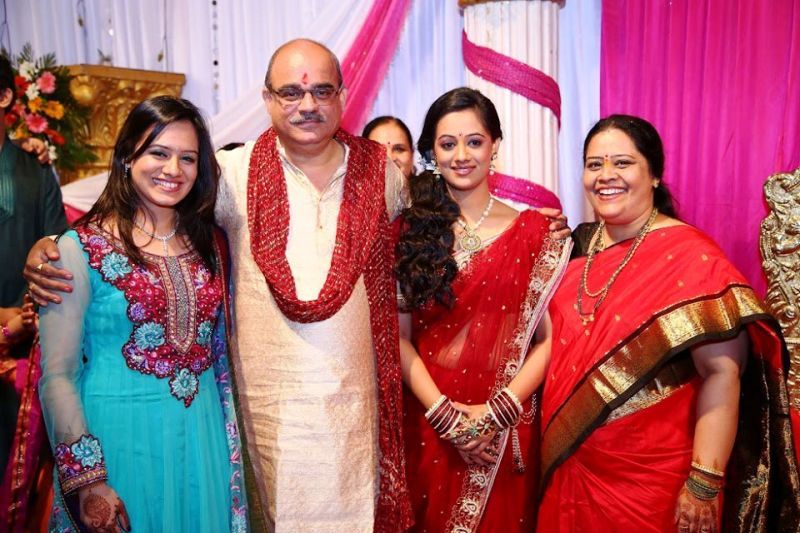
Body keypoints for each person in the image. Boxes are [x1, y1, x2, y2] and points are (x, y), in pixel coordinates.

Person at [23, 39, 568, 532]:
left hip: (355, 421)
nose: (306, 104)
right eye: (290, 91)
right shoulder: (229, 174)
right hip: (264, 424)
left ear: (342, 96)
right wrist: (50, 244)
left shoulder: (383, 174)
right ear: (266, 99)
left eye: (321, 90)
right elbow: (150, 211)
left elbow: (447, 239)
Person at [537, 115, 800, 532]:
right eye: (594, 164)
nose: (606, 176)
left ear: (654, 175)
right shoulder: (574, 250)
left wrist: (704, 482)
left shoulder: (691, 257)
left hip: (651, 483)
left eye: (622, 163)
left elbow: (722, 373)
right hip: (567, 467)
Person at [36, 96, 246, 532]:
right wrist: (87, 481)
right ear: (128, 156)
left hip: (203, 443)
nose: (173, 170)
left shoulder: (214, 246)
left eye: (187, 158)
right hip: (118, 443)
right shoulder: (78, 249)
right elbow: (57, 374)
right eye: (158, 153)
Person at [395, 87, 570, 532]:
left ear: (495, 145)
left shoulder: (533, 231)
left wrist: (497, 412)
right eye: (447, 143)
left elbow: (550, 339)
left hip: (506, 421)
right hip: (428, 418)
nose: (461, 155)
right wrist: (445, 417)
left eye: (474, 141)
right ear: (431, 152)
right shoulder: (410, 232)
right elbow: (397, 337)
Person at [0, 53, 67, 480]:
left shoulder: (35, 173)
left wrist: (26, 312)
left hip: (19, 354)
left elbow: (57, 253)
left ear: (5, 96)